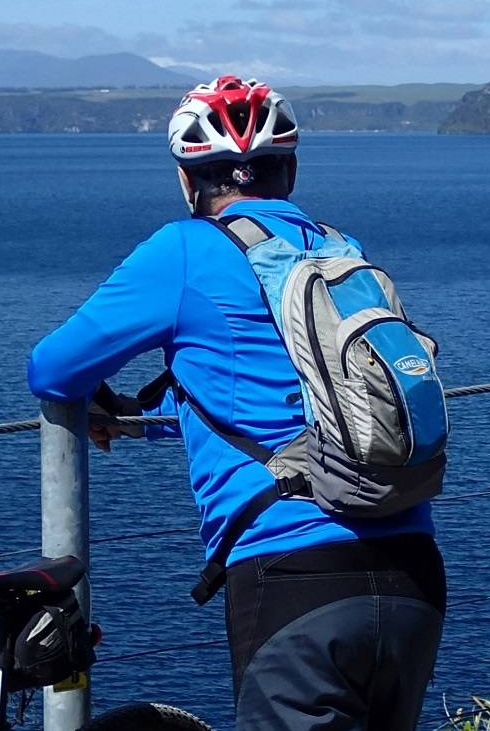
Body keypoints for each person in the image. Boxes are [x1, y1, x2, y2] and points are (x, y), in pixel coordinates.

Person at [27, 76, 446, 731]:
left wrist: (97, 398)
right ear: (291, 171)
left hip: (292, 575)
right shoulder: (339, 248)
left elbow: (50, 367)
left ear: (188, 181)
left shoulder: (187, 249)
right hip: (411, 569)